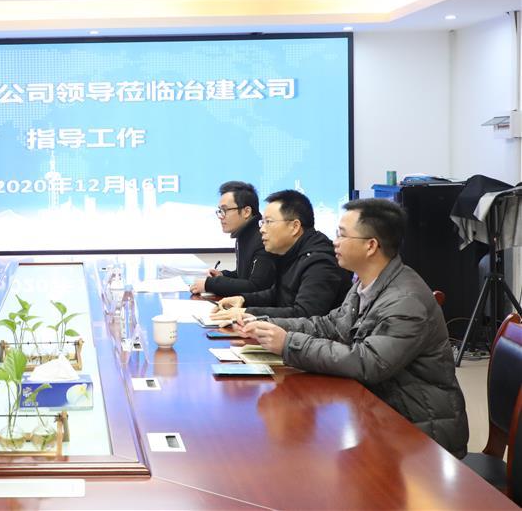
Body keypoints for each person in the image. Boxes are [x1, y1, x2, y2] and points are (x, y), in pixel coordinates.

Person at [237, 198, 469, 457]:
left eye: (342, 235)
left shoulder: (405, 300)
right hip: (379, 413)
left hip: (420, 433)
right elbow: (328, 325)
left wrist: (289, 343)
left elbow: (367, 362)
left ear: (371, 245)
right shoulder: (366, 284)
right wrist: (267, 325)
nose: (334, 242)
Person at [212, 190, 352, 322]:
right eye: (262, 222)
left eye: (268, 222)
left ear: (295, 227)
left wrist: (247, 312)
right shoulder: (291, 252)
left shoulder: (320, 262)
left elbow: (305, 315)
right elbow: (279, 294)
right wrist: (243, 300)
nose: (262, 229)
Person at [189, 181, 275, 297]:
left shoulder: (263, 238)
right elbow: (243, 276)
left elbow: (257, 287)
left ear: (246, 212)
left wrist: (210, 284)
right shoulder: (244, 235)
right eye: (220, 211)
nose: (221, 217)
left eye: (225, 210)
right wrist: (222, 275)